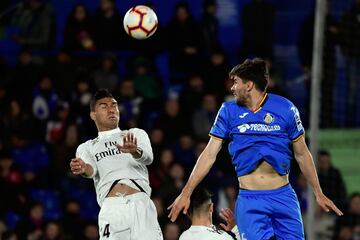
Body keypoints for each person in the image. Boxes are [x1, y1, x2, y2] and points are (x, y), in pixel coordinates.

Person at [168, 58, 343, 239]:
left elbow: (302, 153)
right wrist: (186, 192)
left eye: (236, 82)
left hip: (283, 196)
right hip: (250, 200)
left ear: (249, 85)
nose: (232, 88)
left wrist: (318, 193)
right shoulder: (228, 110)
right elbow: (209, 154)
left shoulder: (286, 108)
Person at [70, 89, 163, 240]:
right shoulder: (86, 147)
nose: (111, 109)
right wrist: (83, 168)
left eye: (114, 105)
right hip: (112, 208)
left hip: (140, 203)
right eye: (104, 106)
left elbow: (148, 158)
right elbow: (91, 171)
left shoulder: (135, 134)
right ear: (93, 114)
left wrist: (135, 151)